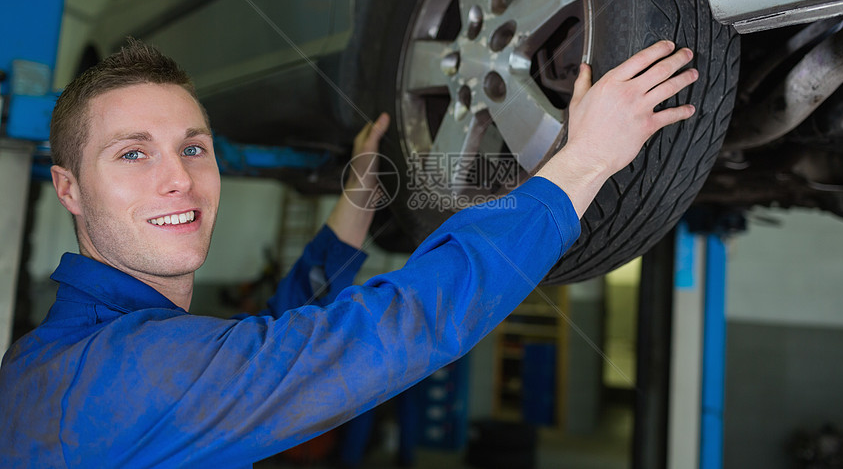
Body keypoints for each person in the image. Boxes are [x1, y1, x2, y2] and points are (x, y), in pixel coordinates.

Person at [0, 38, 697, 467]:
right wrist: (588, 160)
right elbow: (395, 330)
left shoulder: (53, 357)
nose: (177, 177)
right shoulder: (126, 372)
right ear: (68, 188)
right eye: (131, 153)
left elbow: (264, 344)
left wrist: (357, 208)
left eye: (193, 148)